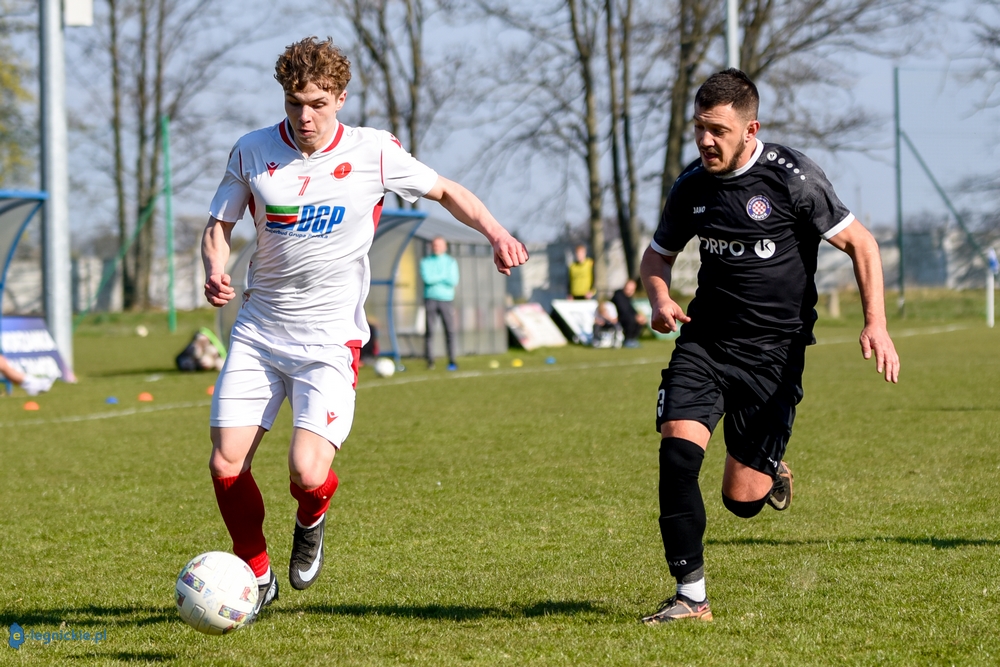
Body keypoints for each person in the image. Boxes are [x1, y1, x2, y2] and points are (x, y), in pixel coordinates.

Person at [202, 36, 528, 623]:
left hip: (329, 339)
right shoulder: (252, 150)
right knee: (226, 463)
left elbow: (448, 191)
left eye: (318, 104)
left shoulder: (374, 152)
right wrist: (214, 268)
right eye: (294, 103)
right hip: (259, 330)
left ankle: (311, 518)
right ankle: (257, 573)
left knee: (307, 471)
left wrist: (497, 233)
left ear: (340, 99)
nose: (305, 116)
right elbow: (218, 224)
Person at [639, 69, 899, 624]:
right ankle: (691, 597)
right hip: (705, 343)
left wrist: (875, 323)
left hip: (774, 357)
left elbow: (861, 243)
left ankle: (770, 466)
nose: (706, 140)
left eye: (718, 130)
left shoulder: (793, 180)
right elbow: (657, 254)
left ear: (750, 129)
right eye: (699, 128)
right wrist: (660, 298)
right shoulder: (692, 185)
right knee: (677, 456)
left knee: (741, 501)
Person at [420, 236, 459, 370]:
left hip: (446, 299)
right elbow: (427, 279)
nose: (436, 247)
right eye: (435, 245)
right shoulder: (425, 262)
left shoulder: (451, 262)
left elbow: (453, 280)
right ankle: (430, 361)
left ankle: (452, 360)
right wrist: (443, 276)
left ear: (445, 247)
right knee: (430, 331)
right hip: (430, 298)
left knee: (450, 331)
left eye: (439, 245)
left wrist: (436, 277)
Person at [610, 279, 647, 348]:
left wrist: (638, 316)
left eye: (632, 290)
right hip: (617, 318)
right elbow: (623, 310)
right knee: (631, 319)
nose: (630, 291)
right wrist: (635, 316)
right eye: (628, 289)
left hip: (625, 317)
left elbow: (631, 309)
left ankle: (633, 339)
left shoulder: (628, 298)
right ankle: (628, 340)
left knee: (641, 320)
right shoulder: (618, 295)